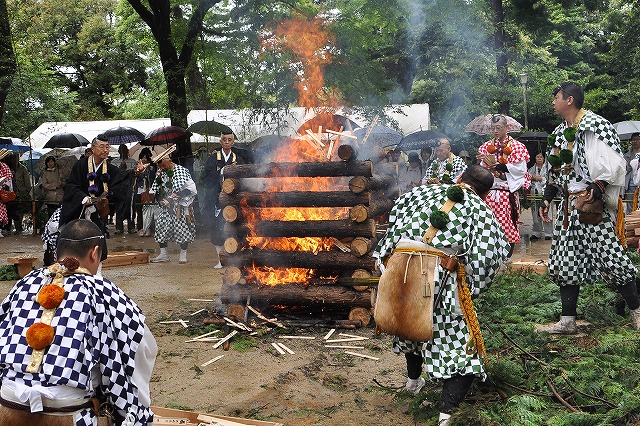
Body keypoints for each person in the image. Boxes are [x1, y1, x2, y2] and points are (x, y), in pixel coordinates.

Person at [373, 165, 510, 425]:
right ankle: (446, 417)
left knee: (410, 322)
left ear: (459, 178)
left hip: (400, 268)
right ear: (486, 194)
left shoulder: (421, 193)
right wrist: (470, 283)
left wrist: (386, 260)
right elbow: (490, 256)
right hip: (438, 275)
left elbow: (396, 214)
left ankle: (413, 382)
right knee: (462, 350)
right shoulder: (481, 210)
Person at [0, 219, 157, 425]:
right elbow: (140, 349)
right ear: (95, 253)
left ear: (57, 253)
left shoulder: (23, 285)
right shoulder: (104, 293)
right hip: (66, 415)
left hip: (7, 409)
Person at [538, 81, 640, 333]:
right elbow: (556, 170)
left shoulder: (596, 125)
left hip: (593, 207)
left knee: (613, 260)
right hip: (567, 209)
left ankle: (638, 314)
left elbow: (615, 163)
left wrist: (598, 186)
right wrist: (548, 195)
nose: (553, 102)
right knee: (566, 262)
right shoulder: (561, 131)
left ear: (569, 100)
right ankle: (568, 321)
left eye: (557, 97)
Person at [59, 134, 148, 261]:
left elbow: (121, 177)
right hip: (78, 208)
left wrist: (135, 172)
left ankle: (97, 269)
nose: (105, 150)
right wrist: (84, 198)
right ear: (93, 148)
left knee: (97, 239)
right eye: (102, 147)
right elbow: (72, 185)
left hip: (96, 211)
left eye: (107, 147)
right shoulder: (80, 165)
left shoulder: (109, 168)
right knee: (74, 241)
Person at [477, 115, 531, 257]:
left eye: (498, 128)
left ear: (506, 128)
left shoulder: (516, 146)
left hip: (507, 193)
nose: (495, 131)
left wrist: (503, 166)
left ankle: (506, 257)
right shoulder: (486, 147)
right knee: (487, 225)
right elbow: (483, 170)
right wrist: (484, 166)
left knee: (507, 225)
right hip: (489, 193)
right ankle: (490, 256)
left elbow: (521, 170)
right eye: (493, 128)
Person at [202, 130, 252, 268]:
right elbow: (206, 178)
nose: (227, 142)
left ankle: (234, 259)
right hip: (216, 199)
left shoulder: (238, 159)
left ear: (233, 142)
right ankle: (220, 259)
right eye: (225, 139)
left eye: (230, 140)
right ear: (220, 142)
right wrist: (224, 170)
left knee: (234, 227)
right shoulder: (213, 159)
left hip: (233, 200)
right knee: (217, 228)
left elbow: (243, 180)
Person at [149, 148, 197, 264]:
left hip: (180, 206)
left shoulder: (181, 171)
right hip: (166, 207)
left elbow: (191, 189)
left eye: (164, 165)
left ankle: (183, 255)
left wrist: (176, 195)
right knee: (160, 227)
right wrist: (161, 200)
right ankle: (164, 255)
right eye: (160, 166)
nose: (162, 168)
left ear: (169, 160)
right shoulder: (160, 173)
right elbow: (157, 190)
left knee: (182, 230)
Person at [3, 153, 31, 235]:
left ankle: (18, 227)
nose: (14, 160)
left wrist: (27, 191)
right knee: (11, 210)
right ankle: (10, 227)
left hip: (21, 192)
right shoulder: (7, 168)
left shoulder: (22, 168)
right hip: (10, 193)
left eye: (15, 158)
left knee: (19, 210)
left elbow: (27, 182)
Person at [528, 152, 553, 240]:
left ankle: (548, 233)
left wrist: (540, 179)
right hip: (534, 192)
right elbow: (527, 178)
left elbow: (550, 179)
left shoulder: (548, 168)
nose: (539, 158)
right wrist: (532, 178)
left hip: (546, 193)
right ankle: (536, 231)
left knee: (546, 211)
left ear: (544, 158)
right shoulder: (531, 169)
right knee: (535, 212)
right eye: (537, 157)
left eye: (541, 157)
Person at [133, 148, 157, 236]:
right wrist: (141, 173)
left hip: (149, 191)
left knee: (150, 211)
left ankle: (149, 228)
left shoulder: (151, 168)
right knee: (139, 211)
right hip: (139, 191)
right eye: (142, 157)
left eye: (146, 157)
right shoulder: (136, 168)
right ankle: (140, 228)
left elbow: (153, 179)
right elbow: (135, 179)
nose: (144, 159)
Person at [115, 145, 138, 234]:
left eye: (124, 150)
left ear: (127, 151)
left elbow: (136, 174)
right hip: (118, 189)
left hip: (130, 188)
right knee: (119, 208)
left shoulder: (133, 162)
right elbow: (113, 176)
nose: (123, 152)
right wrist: (120, 170)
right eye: (121, 150)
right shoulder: (114, 162)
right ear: (118, 151)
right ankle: (119, 227)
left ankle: (131, 227)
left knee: (131, 207)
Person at [623, 132, 640, 213]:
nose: (635, 141)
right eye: (633, 140)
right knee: (630, 206)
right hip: (630, 184)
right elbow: (624, 170)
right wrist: (630, 165)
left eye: (637, 139)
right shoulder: (626, 155)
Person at [0, 152, 14, 237]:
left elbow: (8, 181)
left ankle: (1, 229)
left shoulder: (4, 167)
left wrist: (5, 188)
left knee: (2, 211)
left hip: (2, 192)